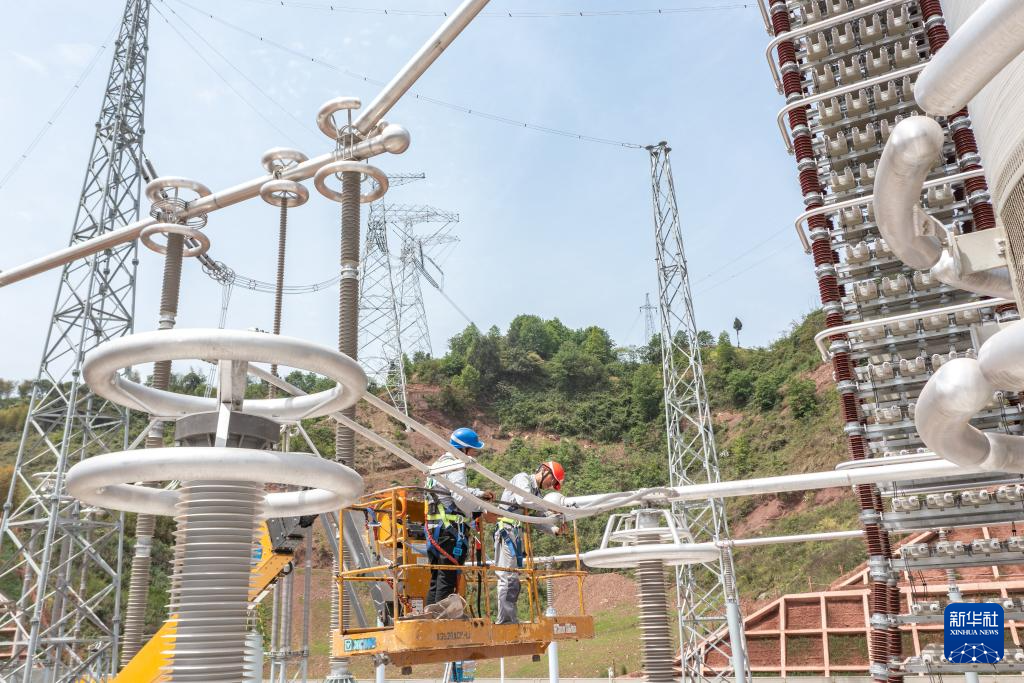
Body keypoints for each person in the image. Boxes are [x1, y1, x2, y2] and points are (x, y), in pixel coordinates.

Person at [424, 427, 494, 606]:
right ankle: (442, 619)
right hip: (450, 531)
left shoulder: (438, 465)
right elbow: (461, 498)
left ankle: (429, 617)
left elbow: (453, 491)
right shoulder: (456, 465)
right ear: (464, 449)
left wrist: (479, 493)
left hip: (434, 529)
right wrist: (482, 507)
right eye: (473, 450)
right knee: (447, 579)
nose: (474, 454)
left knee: (437, 578)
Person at [493, 460, 565, 624]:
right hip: (507, 530)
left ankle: (509, 618)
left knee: (513, 578)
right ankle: (505, 621)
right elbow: (523, 500)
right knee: (507, 576)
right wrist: (548, 507)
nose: (551, 485)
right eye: (552, 480)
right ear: (544, 471)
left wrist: (555, 529)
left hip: (515, 533)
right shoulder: (523, 478)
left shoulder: (537, 496)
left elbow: (538, 519)